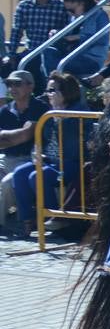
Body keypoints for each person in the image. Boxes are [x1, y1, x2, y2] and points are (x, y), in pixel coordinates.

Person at [11, 71, 90, 237]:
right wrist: (36, 153)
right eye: (47, 90)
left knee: (37, 176)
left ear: (66, 92)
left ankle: (57, 218)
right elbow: (42, 141)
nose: (48, 94)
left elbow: (78, 146)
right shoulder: (49, 112)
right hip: (50, 160)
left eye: (52, 90)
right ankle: (28, 221)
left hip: (72, 162)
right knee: (19, 173)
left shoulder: (79, 113)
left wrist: (61, 117)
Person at [0, 70, 48, 230]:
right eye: (9, 84)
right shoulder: (5, 110)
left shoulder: (40, 108)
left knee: (7, 183)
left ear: (30, 86)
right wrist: (13, 136)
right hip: (6, 159)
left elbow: (26, 135)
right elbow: (19, 135)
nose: (12, 88)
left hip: (29, 160)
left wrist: (5, 136)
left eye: (17, 83)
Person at [8, 0, 67, 74]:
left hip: (51, 55)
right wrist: (11, 55)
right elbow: (17, 32)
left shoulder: (61, 7)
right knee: (7, 68)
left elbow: (67, 32)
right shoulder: (24, 6)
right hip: (30, 53)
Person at [47, 0, 110, 79]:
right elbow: (68, 34)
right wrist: (57, 33)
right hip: (71, 55)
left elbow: (103, 40)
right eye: (67, 11)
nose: (70, 14)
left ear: (82, 3)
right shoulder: (74, 18)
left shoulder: (100, 15)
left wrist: (77, 37)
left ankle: (56, 85)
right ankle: (50, 85)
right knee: (47, 52)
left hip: (91, 60)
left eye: (72, 10)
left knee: (60, 65)